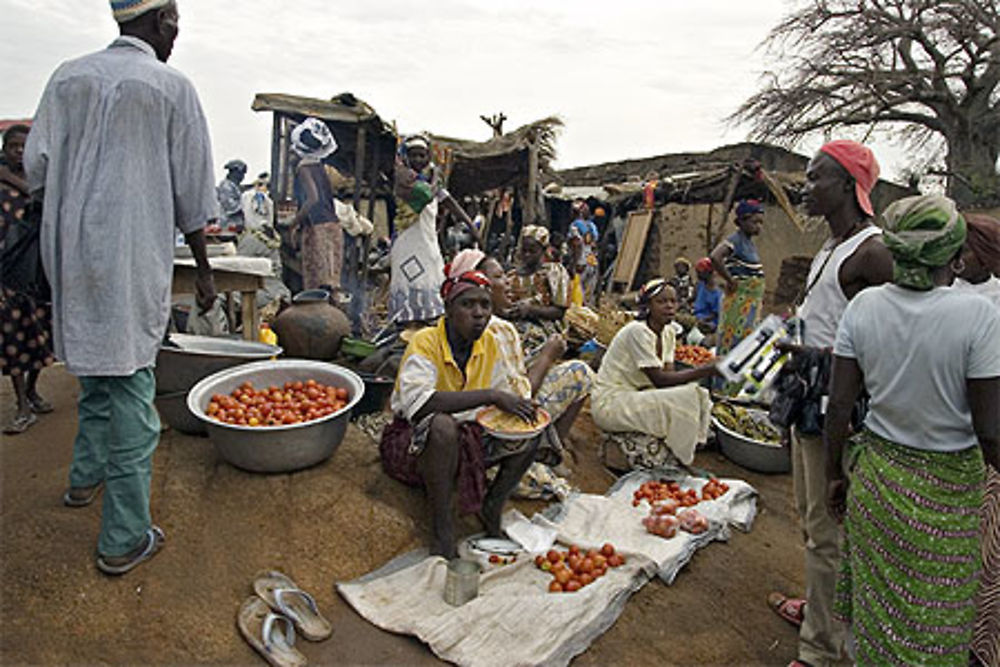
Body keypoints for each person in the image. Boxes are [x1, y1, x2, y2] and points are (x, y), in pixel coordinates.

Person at [24, 0, 217, 575]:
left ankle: (84, 481)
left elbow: (36, 167)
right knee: (132, 383)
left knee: (97, 378)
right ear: (160, 22)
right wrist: (204, 269)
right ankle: (124, 537)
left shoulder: (67, 77)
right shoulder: (170, 87)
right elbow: (194, 196)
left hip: (74, 255)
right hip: (130, 255)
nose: (177, 35)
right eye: (176, 23)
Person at [825, 195, 999, 665]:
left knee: (878, 615)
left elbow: (839, 405)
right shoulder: (979, 316)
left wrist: (834, 476)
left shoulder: (863, 309)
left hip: (879, 482)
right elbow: (989, 430)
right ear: (955, 255)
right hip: (950, 494)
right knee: (935, 615)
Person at [766, 140, 893, 667]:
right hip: (808, 394)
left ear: (847, 186)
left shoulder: (872, 252)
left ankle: (821, 649)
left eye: (816, 177)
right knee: (812, 520)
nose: (805, 187)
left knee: (829, 530)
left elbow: (887, 341)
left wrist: (814, 355)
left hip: (837, 402)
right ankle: (819, 610)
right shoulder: (830, 247)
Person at [378, 262, 537, 558]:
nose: (479, 313)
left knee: (532, 426)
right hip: (416, 446)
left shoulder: (489, 343)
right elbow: (421, 403)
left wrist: (518, 407)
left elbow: (502, 399)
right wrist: (491, 395)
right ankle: (442, 527)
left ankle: (492, 506)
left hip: (469, 440)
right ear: (449, 309)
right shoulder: (425, 342)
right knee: (441, 426)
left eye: (485, 305)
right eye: (468, 304)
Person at [473, 250, 594, 454]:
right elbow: (521, 397)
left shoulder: (467, 322)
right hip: (496, 426)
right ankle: (544, 450)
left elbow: (559, 309)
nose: (508, 281)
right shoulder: (497, 329)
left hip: (480, 416)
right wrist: (547, 356)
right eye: (499, 277)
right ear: (481, 285)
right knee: (581, 372)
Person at [591, 279, 716, 468]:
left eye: (673, 301)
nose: (669, 306)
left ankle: (687, 447)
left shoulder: (668, 333)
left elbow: (668, 379)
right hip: (611, 402)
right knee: (688, 397)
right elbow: (661, 380)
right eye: (662, 302)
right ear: (648, 306)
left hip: (637, 395)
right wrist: (707, 369)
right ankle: (680, 457)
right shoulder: (637, 332)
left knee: (700, 395)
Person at [952, 212, 1000, 667]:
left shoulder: (996, 302)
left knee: (987, 555)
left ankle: (977, 649)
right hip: (952, 437)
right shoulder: (946, 291)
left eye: (967, 249)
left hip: (985, 444)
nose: (958, 259)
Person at [389, 134, 482, 327]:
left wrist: (471, 225)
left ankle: (426, 323)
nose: (418, 160)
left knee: (432, 276)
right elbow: (425, 195)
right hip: (408, 240)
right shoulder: (403, 176)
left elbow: (447, 200)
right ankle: (406, 324)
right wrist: (437, 178)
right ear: (406, 156)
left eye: (422, 156)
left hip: (427, 239)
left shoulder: (428, 179)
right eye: (414, 155)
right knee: (409, 280)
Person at [0, 125, 55, 435]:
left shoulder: (39, 181)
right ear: (4, 149)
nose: (19, 152)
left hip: (37, 272)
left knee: (40, 335)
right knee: (13, 339)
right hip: (7, 275)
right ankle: (22, 405)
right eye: (13, 147)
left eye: (24, 147)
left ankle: (33, 391)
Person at [289, 117, 342, 291]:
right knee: (331, 280)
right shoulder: (320, 167)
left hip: (317, 228)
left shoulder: (304, 168)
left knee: (316, 282)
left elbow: (313, 198)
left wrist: (294, 223)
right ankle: (337, 316)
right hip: (333, 226)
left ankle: (320, 316)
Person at [712, 199, 766, 360]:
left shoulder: (748, 243)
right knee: (734, 342)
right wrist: (730, 280)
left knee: (746, 342)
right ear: (742, 221)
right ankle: (725, 382)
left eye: (761, 223)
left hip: (749, 303)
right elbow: (715, 257)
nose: (759, 226)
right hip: (738, 302)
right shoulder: (735, 240)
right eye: (755, 222)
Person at [506, 225, 571, 357]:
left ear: (544, 250)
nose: (527, 254)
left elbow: (559, 311)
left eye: (532, 251)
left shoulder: (554, 272)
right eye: (524, 250)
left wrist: (530, 310)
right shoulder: (511, 276)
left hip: (545, 330)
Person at [692, 257, 722, 333]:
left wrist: (702, 320)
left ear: (708, 272)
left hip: (710, 321)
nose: (698, 275)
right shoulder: (700, 285)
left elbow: (716, 314)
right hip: (696, 317)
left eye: (700, 273)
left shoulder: (717, 293)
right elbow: (693, 298)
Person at [217, 158, 246, 231]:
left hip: (237, 226)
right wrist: (246, 205)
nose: (243, 176)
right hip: (228, 226)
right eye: (241, 173)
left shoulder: (235, 187)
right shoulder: (226, 186)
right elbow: (230, 206)